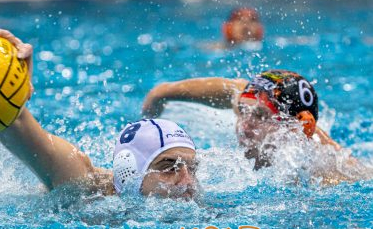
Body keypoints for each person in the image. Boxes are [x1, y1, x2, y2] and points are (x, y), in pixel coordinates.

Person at [0, 28, 199, 199]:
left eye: (192, 169)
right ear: (129, 171)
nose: (187, 183)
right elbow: (13, 122)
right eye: (169, 168)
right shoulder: (83, 187)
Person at [142, 70, 362, 182]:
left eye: (260, 116)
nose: (244, 127)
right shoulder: (251, 98)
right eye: (242, 112)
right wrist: (157, 99)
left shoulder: (329, 171)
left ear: (296, 127)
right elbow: (161, 91)